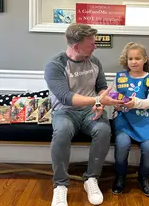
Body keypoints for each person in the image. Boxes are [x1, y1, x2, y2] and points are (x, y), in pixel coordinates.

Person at [44, 23, 124, 206]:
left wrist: (101, 104)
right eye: (91, 44)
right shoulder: (55, 65)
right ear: (76, 46)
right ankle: (61, 185)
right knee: (62, 132)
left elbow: (101, 87)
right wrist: (98, 101)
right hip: (65, 112)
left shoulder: (94, 61)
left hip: (91, 112)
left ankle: (91, 179)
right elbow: (66, 98)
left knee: (104, 131)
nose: (95, 47)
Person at [111, 42, 149, 197]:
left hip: (143, 120)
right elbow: (112, 95)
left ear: (145, 59)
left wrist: (135, 103)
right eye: (130, 58)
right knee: (122, 145)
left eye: (137, 58)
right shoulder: (120, 77)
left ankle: (144, 178)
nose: (133, 61)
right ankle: (120, 177)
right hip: (123, 119)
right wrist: (116, 103)